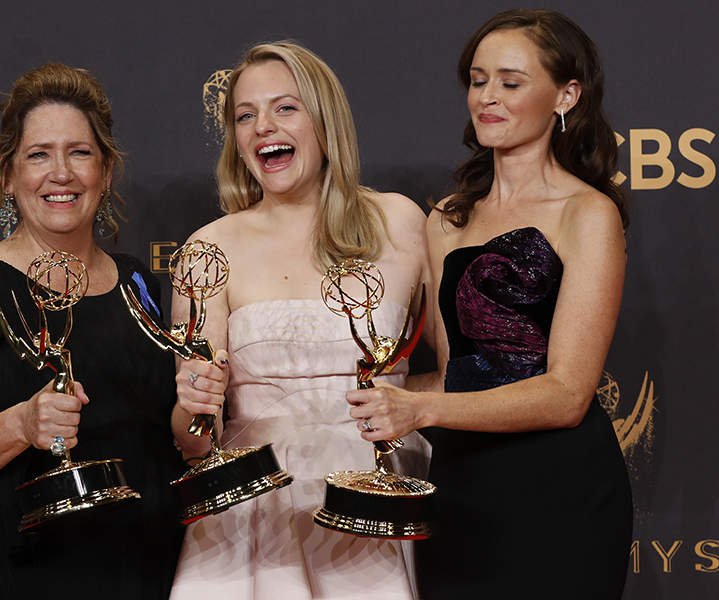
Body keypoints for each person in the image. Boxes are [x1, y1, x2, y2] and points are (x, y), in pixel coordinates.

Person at [346, 9, 634, 598]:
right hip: (464, 485)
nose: (487, 99)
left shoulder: (588, 213)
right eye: (478, 81)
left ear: (566, 95)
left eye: (511, 82)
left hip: (561, 488)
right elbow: (462, 374)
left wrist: (420, 411)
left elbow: (567, 394)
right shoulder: (447, 219)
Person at [0, 63, 184, 599]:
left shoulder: (143, 287)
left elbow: (174, 440)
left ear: (105, 171)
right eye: (39, 154)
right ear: (8, 177)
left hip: (150, 575)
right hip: (21, 581)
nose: (61, 173)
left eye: (79, 152)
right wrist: (21, 423)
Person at [168, 42, 433, 599]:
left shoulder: (400, 221)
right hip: (252, 525)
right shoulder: (207, 249)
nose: (263, 125)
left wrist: (408, 408)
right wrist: (194, 408)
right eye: (245, 115)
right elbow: (196, 441)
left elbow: (460, 376)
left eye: (285, 108)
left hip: (369, 515)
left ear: (324, 120)